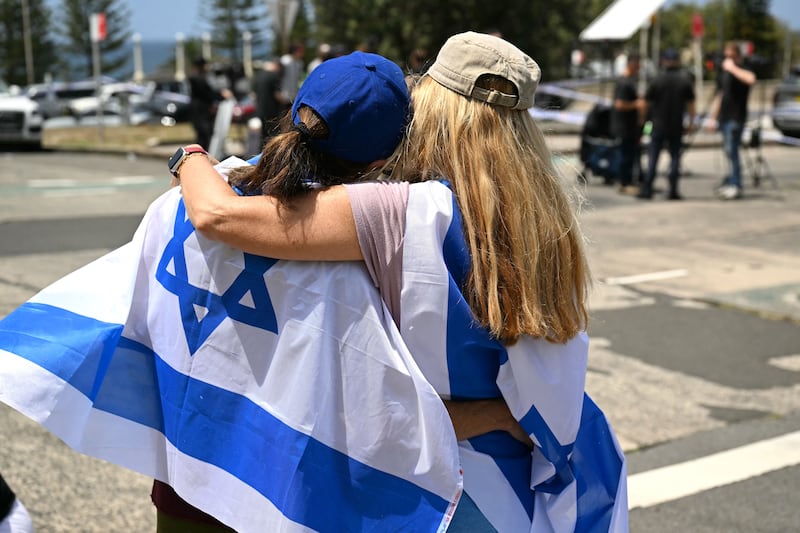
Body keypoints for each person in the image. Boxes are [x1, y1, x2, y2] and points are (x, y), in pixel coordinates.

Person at [177, 32, 627, 532]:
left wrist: (190, 156)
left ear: (435, 107)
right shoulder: (545, 223)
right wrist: (503, 416)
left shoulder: (402, 212)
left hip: (431, 490)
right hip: (519, 489)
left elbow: (219, 215)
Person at [637, 48, 696, 200]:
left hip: (658, 125)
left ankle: (647, 189)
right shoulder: (684, 80)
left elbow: (645, 102)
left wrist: (643, 120)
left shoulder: (657, 79)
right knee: (675, 157)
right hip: (676, 125)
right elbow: (691, 105)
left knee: (653, 157)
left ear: (664, 61)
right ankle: (673, 190)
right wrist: (691, 123)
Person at [708, 41, 756, 200]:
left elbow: (751, 79)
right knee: (728, 151)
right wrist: (712, 118)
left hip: (737, 117)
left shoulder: (742, 70)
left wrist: (733, 68)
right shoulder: (724, 74)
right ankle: (730, 180)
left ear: (737, 56)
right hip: (724, 117)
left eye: (731, 56)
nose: (728, 59)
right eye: (726, 56)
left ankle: (736, 183)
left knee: (733, 150)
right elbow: (719, 96)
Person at [611, 52, 645, 194]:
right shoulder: (624, 82)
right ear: (631, 64)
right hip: (624, 126)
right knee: (625, 155)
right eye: (637, 66)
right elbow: (619, 104)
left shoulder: (630, 81)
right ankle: (624, 182)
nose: (639, 69)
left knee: (630, 155)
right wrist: (636, 104)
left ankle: (629, 180)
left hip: (630, 126)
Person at [187, 57, 233, 150]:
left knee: (201, 134)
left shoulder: (194, 77)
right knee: (206, 134)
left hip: (196, 109)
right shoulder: (201, 78)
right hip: (203, 109)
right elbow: (207, 93)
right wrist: (221, 96)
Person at [250, 57, 287, 144]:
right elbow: (277, 95)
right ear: (277, 66)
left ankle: (262, 154)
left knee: (263, 136)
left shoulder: (257, 76)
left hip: (260, 111)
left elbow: (253, 95)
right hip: (272, 112)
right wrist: (288, 102)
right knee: (273, 137)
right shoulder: (274, 76)